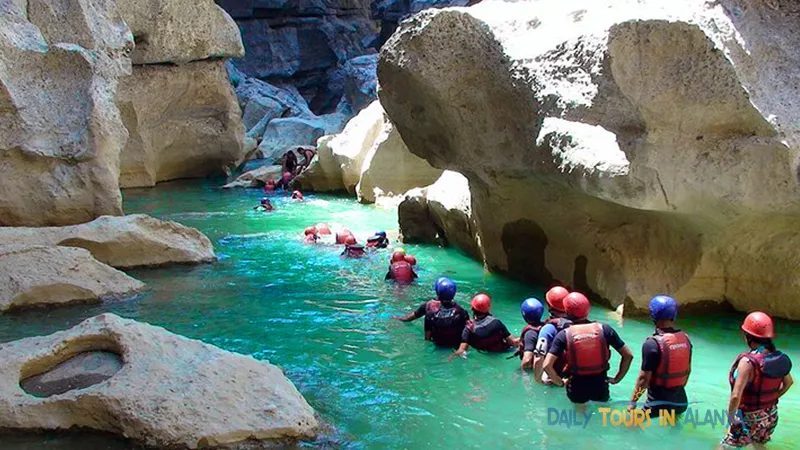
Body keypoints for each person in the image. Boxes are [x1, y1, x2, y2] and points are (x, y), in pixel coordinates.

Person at [544, 292, 633, 404]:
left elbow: (547, 365)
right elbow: (628, 355)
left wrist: (560, 382)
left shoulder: (564, 335)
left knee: (579, 417)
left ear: (567, 312)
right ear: (587, 310)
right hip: (600, 387)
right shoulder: (605, 330)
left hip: (576, 388)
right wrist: (617, 379)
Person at [720, 311, 793, 449]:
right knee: (757, 444)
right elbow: (789, 382)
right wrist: (770, 399)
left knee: (725, 446)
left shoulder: (747, 362)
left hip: (749, 418)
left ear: (747, 336)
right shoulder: (776, 357)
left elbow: (736, 396)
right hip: (770, 415)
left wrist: (730, 420)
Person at [628, 296, 692, 418]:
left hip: (657, 406)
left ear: (653, 315)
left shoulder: (652, 344)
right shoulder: (685, 339)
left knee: (629, 424)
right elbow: (688, 371)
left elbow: (643, 379)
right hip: (680, 402)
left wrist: (632, 403)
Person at [392, 277, 469, 348]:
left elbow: (408, 319)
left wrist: (397, 318)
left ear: (437, 293)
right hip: (456, 345)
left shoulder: (428, 307)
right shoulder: (461, 311)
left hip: (437, 345)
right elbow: (467, 332)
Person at [451, 294, 518, 358]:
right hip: (502, 352)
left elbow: (461, 350)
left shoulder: (469, 328)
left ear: (472, 308)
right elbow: (513, 342)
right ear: (488, 308)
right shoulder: (496, 322)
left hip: (485, 355)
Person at [534, 286, 572, 383]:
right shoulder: (579, 324)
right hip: (575, 376)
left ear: (549, 306)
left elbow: (539, 358)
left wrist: (538, 382)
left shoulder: (548, 329)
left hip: (555, 378)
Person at [517, 298, 546, 372]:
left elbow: (527, 359)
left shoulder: (530, 333)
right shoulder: (546, 327)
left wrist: (520, 372)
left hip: (534, 370)